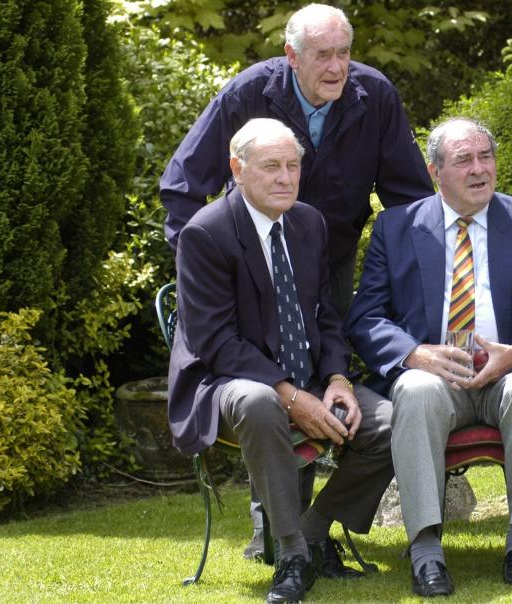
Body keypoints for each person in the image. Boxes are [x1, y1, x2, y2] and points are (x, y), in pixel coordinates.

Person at [159, 3, 432, 559]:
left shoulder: (373, 96)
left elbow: (409, 198)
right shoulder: (247, 93)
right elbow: (183, 187)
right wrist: (210, 265)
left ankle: (306, 532)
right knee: (268, 389)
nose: (336, 68)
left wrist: (421, 285)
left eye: (344, 54)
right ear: (291, 56)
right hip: (241, 269)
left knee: (321, 381)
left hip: (322, 260)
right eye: (322, 55)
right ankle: (276, 534)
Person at [167, 118, 394, 603]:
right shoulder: (205, 234)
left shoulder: (308, 223)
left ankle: (313, 531)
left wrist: (337, 380)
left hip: (308, 375)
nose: (285, 178)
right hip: (224, 380)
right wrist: (291, 396)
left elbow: (326, 314)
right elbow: (216, 342)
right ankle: (290, 555)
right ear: (238, 169)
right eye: (271, 167)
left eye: (293, 166)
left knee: (393, 423)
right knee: (259, 401)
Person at [345, 118, 512, 597]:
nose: (479, 168)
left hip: (507, 375)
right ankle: (426, 551)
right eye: (464, 160)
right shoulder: (397, 226)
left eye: (486, 156)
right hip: (438, 379)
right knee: (415, 388)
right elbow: (365, 317)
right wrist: (413, 353)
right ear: (435, 170)